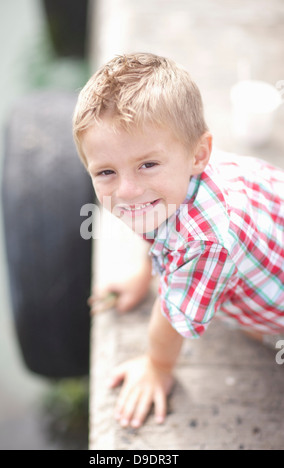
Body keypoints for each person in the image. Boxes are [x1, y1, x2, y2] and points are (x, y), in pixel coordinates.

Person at [73, 52, 284, 429]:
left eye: (147, 164)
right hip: (265, 233)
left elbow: (173, 316)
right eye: (105, 172)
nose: (128, 190)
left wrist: (157, 365)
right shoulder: (166, 189)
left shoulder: (205, 241)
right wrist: (145, 273)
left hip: (270, 282)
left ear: (198, 154)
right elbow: (154, 232)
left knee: (256, 333)